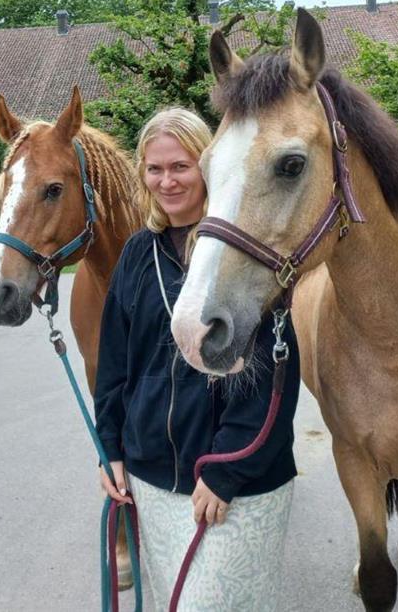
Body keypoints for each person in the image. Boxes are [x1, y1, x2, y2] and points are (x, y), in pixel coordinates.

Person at [93, 107, 301, 610]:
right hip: (151, 477)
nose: (167, 181)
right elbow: (115, 361)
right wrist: (110, 448)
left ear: (206, 166)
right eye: (155, 168)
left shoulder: (244, 250)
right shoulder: (137, 254)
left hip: (235, 482)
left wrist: (228, 470)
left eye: (180, 166)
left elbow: (275, 372)